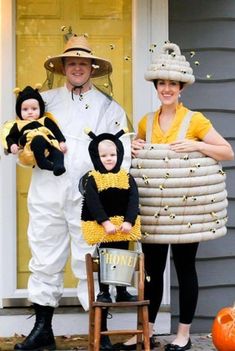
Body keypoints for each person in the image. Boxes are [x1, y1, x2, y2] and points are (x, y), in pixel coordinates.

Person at [113, 42, 234, 351]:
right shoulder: (145, 121)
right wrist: (134, 146)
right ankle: (147, 331)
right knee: (152, 271)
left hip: (185, 211)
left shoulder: (195, 121)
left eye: (172, 84)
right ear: (157, 86)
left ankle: (183, 334)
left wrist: (198, 146)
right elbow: (135, 158)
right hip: (153, 209)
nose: (167, 89)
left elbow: (227, 151)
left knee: (184, 267)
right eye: (162, 83)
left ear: (181, 87)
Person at [14, 34, 131, 351]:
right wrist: (25, 152)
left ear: (92, 68)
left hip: (88, 201)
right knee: (44, 259)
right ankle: (42, 330)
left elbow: (123, 151)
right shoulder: (44, 102)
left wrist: (109, 190)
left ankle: (99, 334)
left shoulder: (109, 108)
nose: (77, 67)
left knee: (90, 262)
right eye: (71, 62)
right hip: (47, 195)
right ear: (63, 66)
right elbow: (23, 139)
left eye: (83, 62)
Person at [80, 130, 141, 349]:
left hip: (123, 227)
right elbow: (93, 202)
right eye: (104, 155)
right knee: (106, 258)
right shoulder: (93, 179)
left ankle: (122, 289)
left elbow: (133, 200)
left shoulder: (126, 177)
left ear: (119, 155)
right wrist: (104, 222)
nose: (108, 159)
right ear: (97, 157)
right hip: (105, 229)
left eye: (113, 155)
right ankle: (105, 291)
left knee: (123, 256)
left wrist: (129, 221)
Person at [4, 85, 67, 176]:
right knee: (38, 139)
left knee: (57, 152)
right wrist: (12, 145)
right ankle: (42, 162)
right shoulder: (19, 124)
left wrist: (61, 142)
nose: (30, 112)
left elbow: (56, 131)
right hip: (30, 144)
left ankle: (58, 167)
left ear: (40, 109)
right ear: (19, 111)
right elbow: (11, 137)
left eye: (34, 109)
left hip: (48, 143)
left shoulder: (45, 120)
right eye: (25, 109)